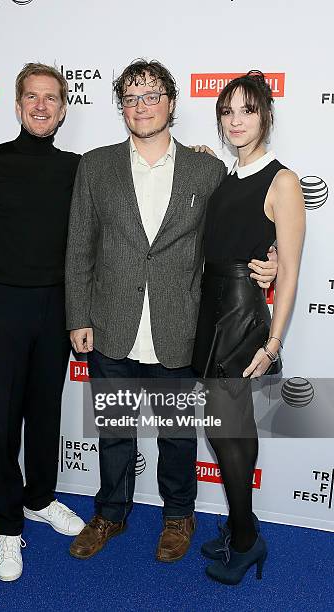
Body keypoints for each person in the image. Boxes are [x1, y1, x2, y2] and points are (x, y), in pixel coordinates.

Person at [65, 59, 277, 562]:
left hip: (180, 328)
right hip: (112, 326)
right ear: (122, 108)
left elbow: (243, 219)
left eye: (152, 95)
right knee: (114, 433)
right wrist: (78, 316)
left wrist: (268, 263)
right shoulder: (94, 166)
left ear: (171, 104)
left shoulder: (208, 170)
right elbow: (78, 248)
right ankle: (110, 514)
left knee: (177, 436)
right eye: (132, 98)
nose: (142, 106)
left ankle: (179, 517)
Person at [0, 63, 85, 582]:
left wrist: (202, 157)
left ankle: (40, 498)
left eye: (51, 98)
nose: (41, 106)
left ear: (63, 108)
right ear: (17, 103)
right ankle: (8, 527)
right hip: (4, 305)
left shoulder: (77, 167)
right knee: (2, 421)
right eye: (32, 96)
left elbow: (133, 180)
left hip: (57, 306)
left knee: (45, 413)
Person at [192, 71, 305, 584]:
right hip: (209, 305)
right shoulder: (223, 175)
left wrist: (275, 341)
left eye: (248, 110)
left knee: (229, 429)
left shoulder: (282, 180)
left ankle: (244, 540)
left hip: (241, 312)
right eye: (227, 111)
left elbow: (293, 270)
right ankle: (243, 524)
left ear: (266, 116)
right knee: (224, 429)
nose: (236, 121)